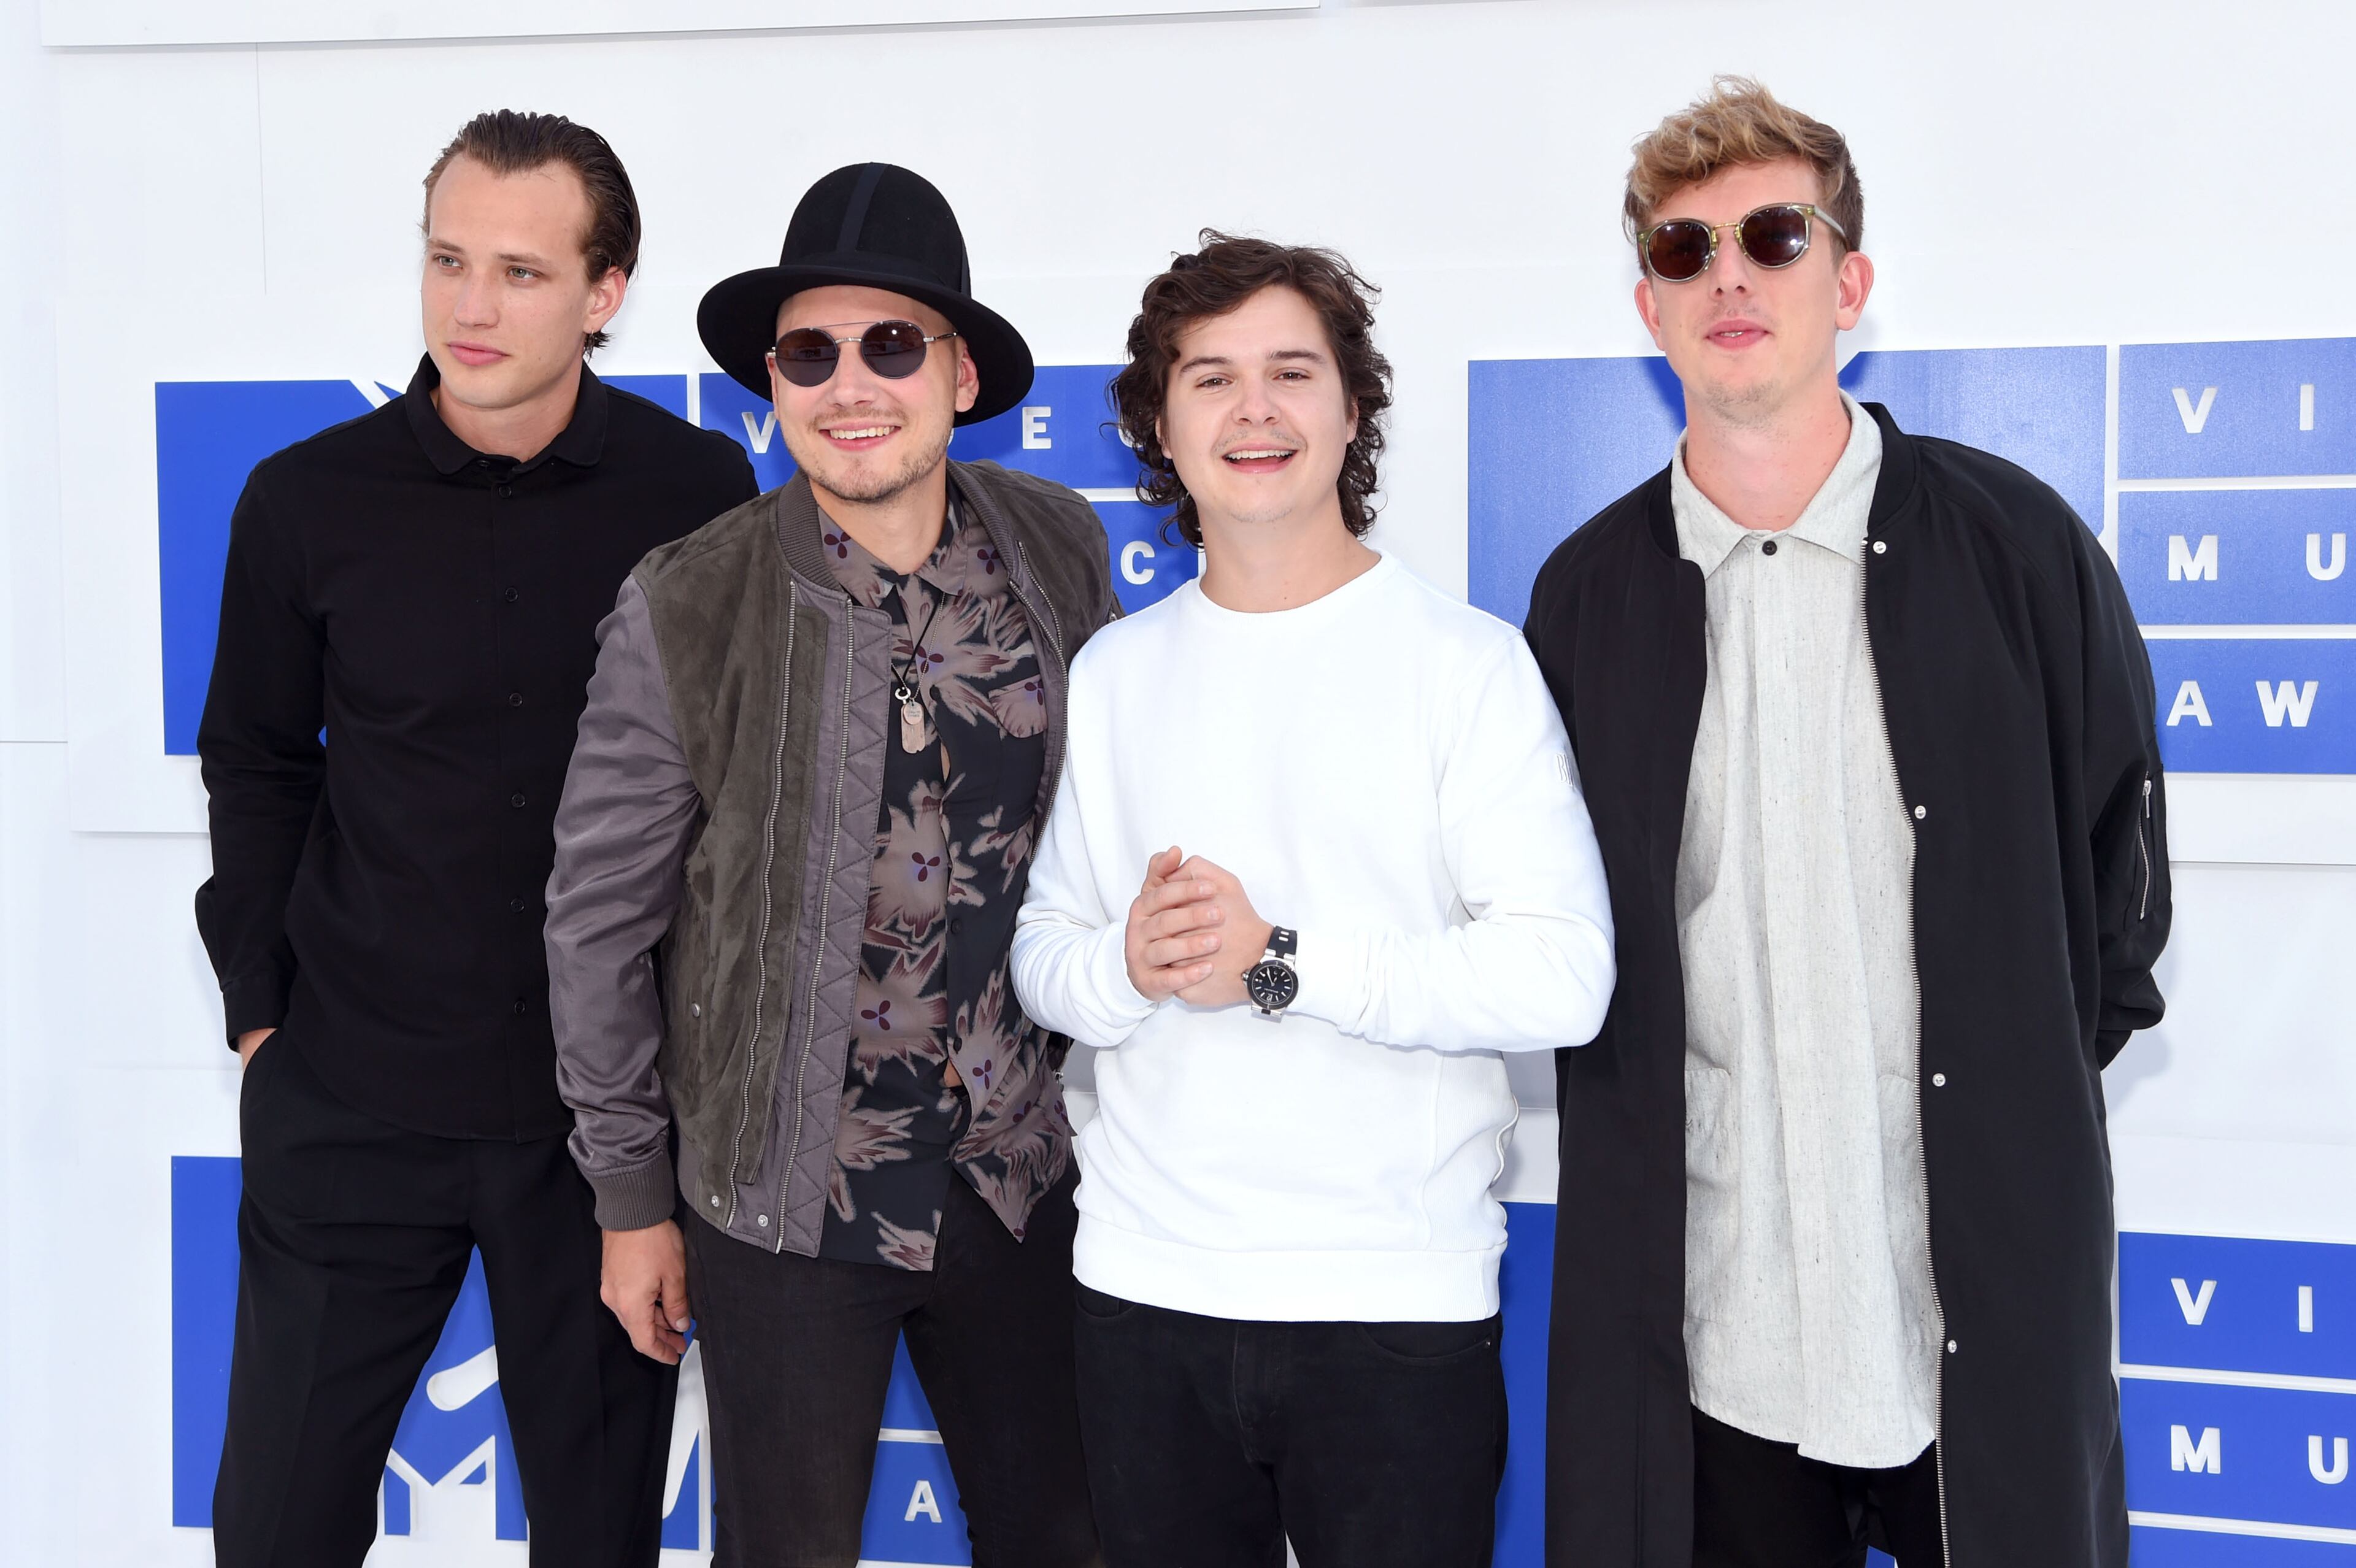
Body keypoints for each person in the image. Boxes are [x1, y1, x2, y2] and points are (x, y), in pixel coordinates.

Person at [1522, 77, 2171, 1567]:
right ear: (1649, 306)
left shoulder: (2019, 548)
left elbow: (2119, 896)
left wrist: (2005, 1076)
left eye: (1774, 235)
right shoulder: (1586, 595)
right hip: (1715, 1314)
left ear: (1851, 281)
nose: (1729, 277)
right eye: (1686, 252)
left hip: (1970, 1293)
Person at [194, 110, 757, 1566]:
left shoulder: (696, 498)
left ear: (605, 290)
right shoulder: (303, 500)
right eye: (449, 260)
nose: (470, 306)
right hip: (354, 1096)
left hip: (603, 1135)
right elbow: (257, 762)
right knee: (275, 1530)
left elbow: (730, 805)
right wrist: (264, 1013)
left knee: (599, 1538)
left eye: (518, 269)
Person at [1011, 233, 1617, 1568]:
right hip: (1142, 1300)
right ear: (1159, 430)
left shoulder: (1465, 666)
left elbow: (1563, 976)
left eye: (1293, 371)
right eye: (1211, 379)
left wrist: (1280, 963)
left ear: (1354, 408)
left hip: (1392, 1313)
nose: (1255, 411)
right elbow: (1046, 960)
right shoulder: (1113, 674)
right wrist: (1132, 964)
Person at [543, 163, 1116, 1568]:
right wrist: (630, 1202)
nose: (849, 384)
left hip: (1017, 1179)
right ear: (774, 383)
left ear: (963, 373)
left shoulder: (1059, 545)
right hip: (782, 1204)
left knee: (1070, 1543)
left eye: (892, 345)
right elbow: (594, 928)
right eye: (811, 352)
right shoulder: (691, 598)